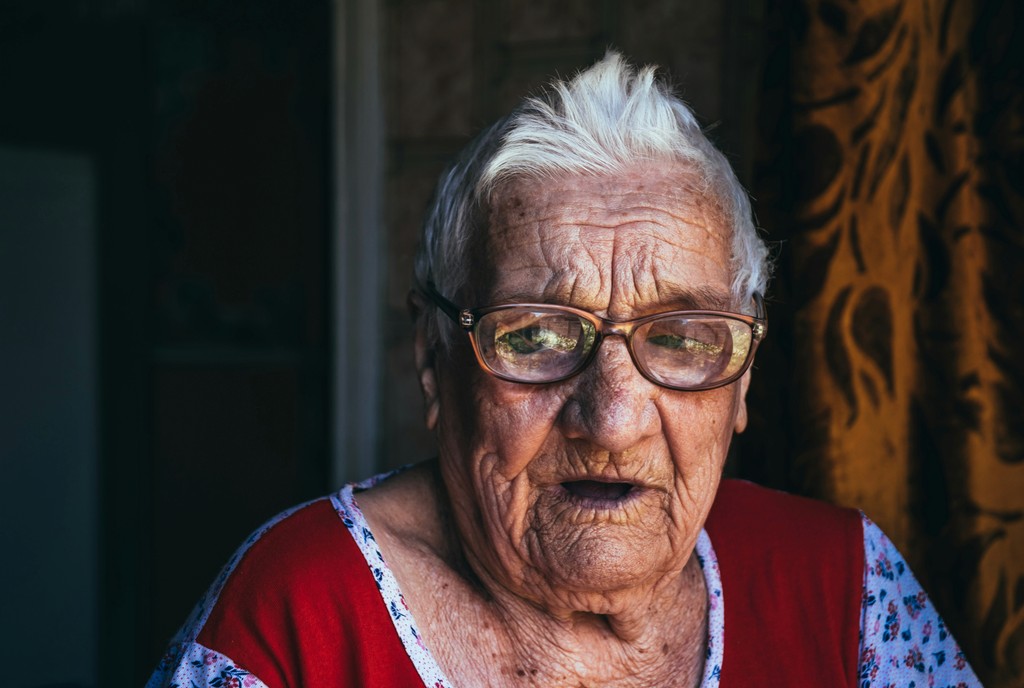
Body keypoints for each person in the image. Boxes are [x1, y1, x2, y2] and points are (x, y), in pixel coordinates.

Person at [147, 53, 981, 687]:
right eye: (538, 335)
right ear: (434, 360)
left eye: (683, 336)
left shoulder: (848, 587)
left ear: (745, 380)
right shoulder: (298, 616)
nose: (612, 419)